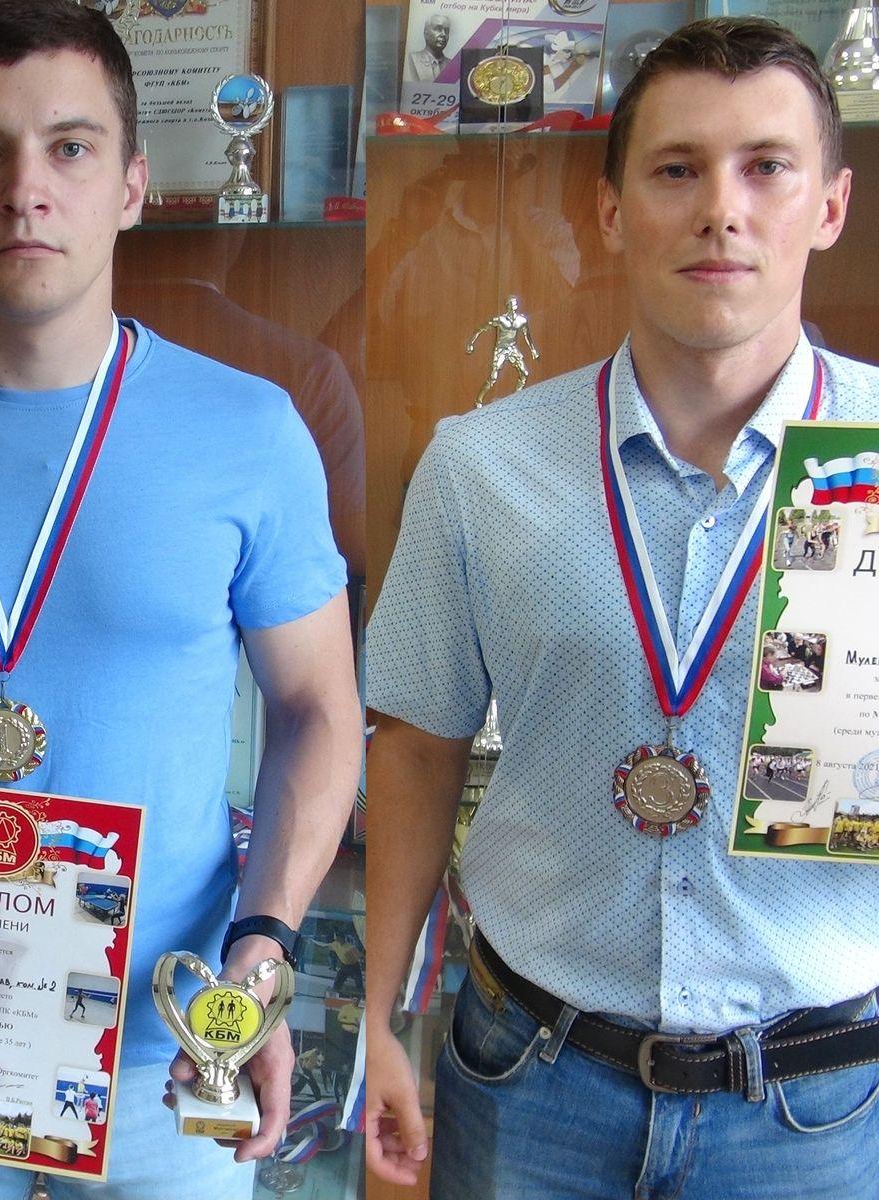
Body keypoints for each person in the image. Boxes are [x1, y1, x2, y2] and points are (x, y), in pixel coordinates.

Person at [0, 2, 360, 1197]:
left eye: (70, 148)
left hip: (165, 1047)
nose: (25, 191)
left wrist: (263, 948)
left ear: (132, 184)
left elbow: (318, 712)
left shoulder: (249, 431)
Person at [364, 18, 879, 1199]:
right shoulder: (480, 465)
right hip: (531, 1082)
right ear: (608, 211)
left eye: (765, 166)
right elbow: (418, 747)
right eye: (675, 169)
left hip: (809, 1106)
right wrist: (381, 1014)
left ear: (829, 206)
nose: (721, 210)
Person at [406, 14, 452, 82]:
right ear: (426, 33)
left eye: (446, 30)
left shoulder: (452, 64)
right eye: (438, 29)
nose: (443, 34)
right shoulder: (411, 59)